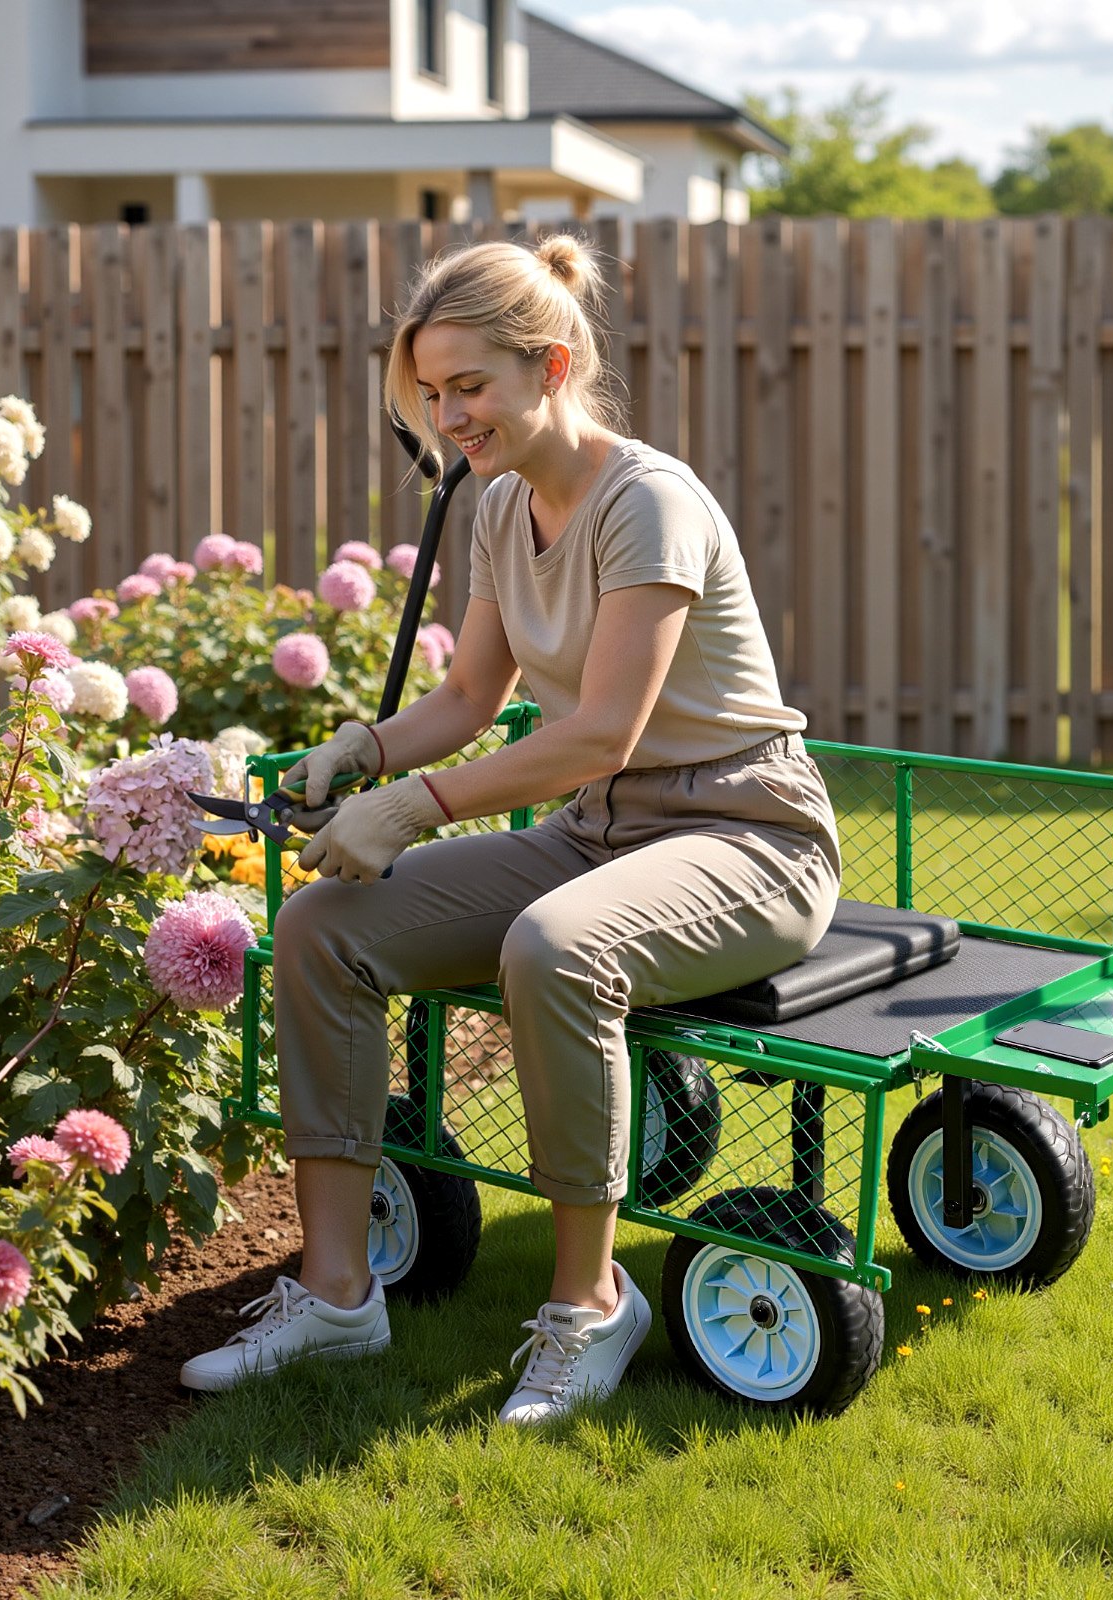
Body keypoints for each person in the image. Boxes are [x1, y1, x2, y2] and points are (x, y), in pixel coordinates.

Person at [179, 234, 841, 1422]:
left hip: (749, 835)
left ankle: (590, 1305)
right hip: (600, 834)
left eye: (467, 386)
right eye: (430, 393)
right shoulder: (495, 508)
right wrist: (358, 753)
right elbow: (466, 700)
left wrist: (408, 807)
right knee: (326, 923)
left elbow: (600, 729)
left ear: (551, 363)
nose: (447, 414)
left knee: (556, 946)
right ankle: (336, 1297)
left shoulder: (650, 503)